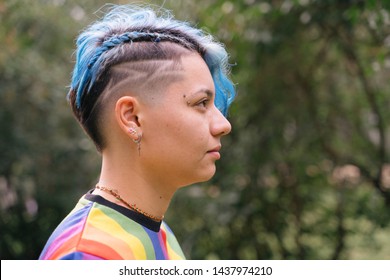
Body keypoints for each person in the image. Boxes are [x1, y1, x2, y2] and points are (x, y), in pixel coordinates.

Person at [39, 3, 235, 260]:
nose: (223, 125)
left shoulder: (158, 230)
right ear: (132, 118)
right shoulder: (87, 255)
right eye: (200, 103)